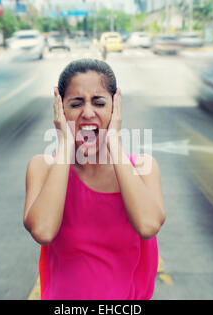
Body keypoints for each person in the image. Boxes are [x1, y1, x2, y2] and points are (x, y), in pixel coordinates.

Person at [23, 59, 165, 300]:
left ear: (115, 106)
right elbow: (44, 231)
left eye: (99, 103)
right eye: (76, 104)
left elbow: (148, 225)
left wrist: (113, 141)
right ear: (60, 109)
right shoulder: (43, 167)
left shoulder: (143, 168)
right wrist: (66, 144)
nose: (88, 113)